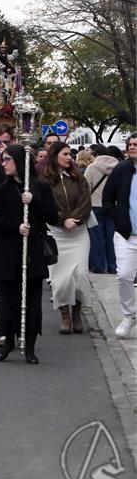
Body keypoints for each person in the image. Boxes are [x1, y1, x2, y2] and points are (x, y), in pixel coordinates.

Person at [0, 143, 58, 364]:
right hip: (8, 253)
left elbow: (52, 216)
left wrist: (34, 201)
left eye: (8, 159)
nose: (4, 163)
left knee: (32, 301)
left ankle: (29, 346)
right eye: (3, 159)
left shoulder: (40, 187)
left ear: (19, 162)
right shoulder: (2, 189)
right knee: (7, 301)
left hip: (32, 254)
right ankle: (8, 341)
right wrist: (16, 226)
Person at [42, 143, 92, 334]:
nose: (69, 157)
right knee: (60, 279)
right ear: (55, 156)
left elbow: (85, 201)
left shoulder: (78, 178)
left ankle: (77, 312)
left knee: (80, 275)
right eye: (65, 154)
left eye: (70, 154)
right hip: (57, 234)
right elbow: (46, 206)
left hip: (78, 234)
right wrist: (63, 220)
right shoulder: (45, 181)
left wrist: (76, 220)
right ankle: (64, 314)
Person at [102, 133, 137, 338]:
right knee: (124, 275)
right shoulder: (122, 170)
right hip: (126, 234)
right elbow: (107, 198)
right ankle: (129, 315)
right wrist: (117, 218)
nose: (132, 147)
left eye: (136, 144)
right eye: (130, 144)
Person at [84, 145, 118, 274]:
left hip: (95, 206)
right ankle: (113, 267)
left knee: (96, 238)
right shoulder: (118, 168)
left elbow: (86, 187)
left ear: (96, 154)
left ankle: (98, 267)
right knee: (112, 237)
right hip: (113, 206)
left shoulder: (92, 167)